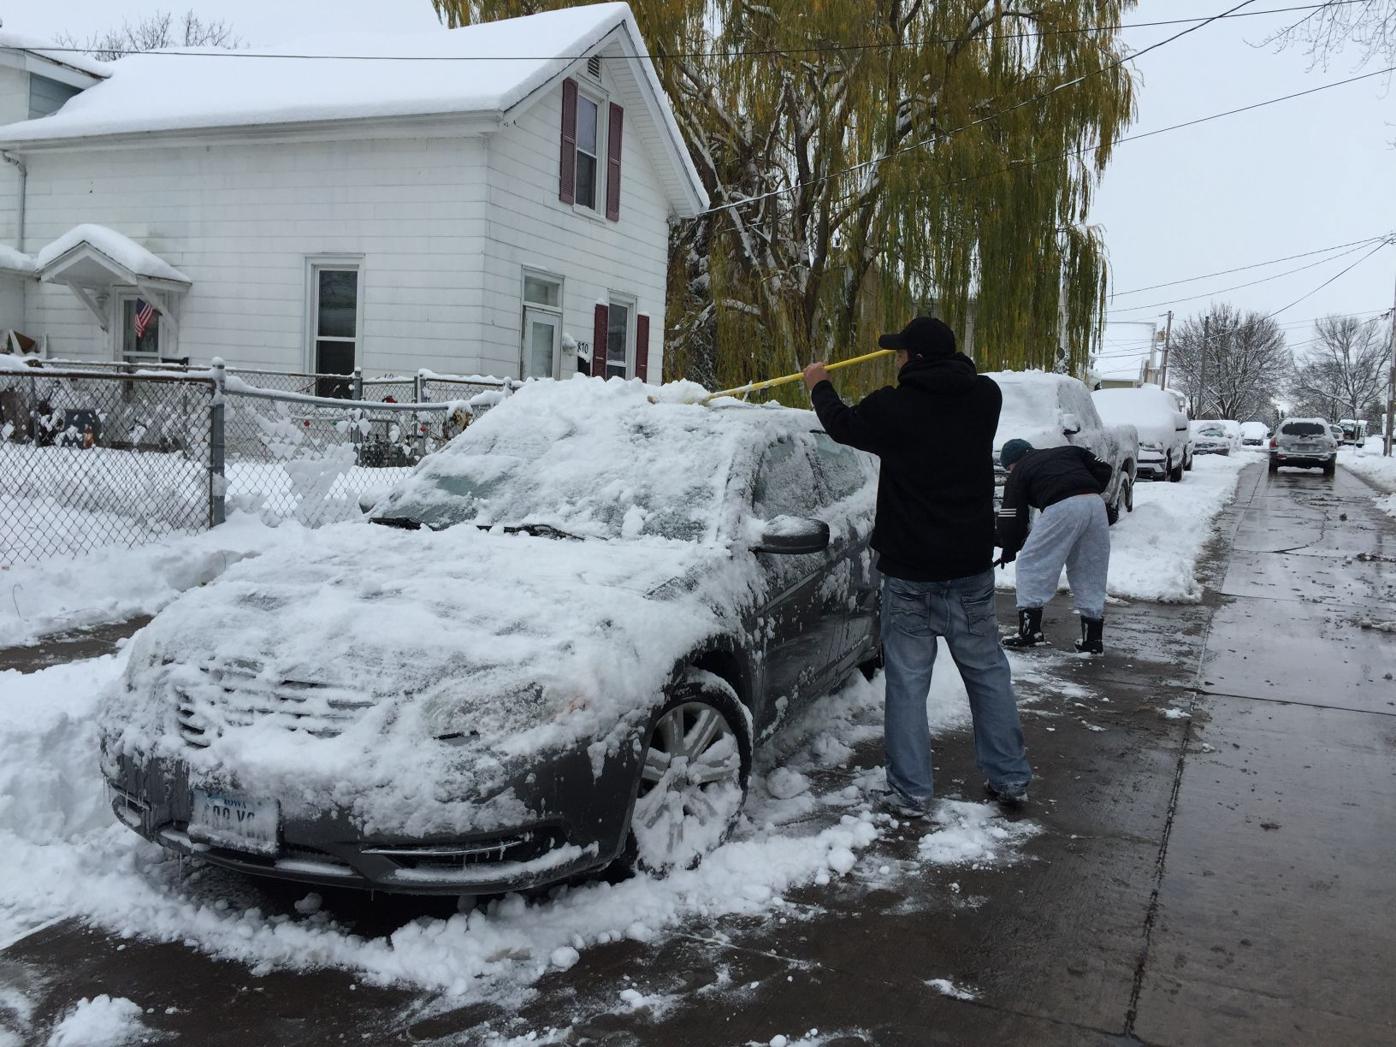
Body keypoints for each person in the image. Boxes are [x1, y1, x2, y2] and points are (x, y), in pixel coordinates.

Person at [802, 316, 1032, 815]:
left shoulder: (893, 408)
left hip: (908, 573)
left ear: (916, 359)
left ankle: (910, 792)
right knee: (988, 673)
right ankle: (1009, 777)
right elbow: (964, 381)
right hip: (970, 568)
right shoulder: (985, 398)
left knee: (907, 684)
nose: (898, 359)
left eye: (902, 353)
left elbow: (842, 424)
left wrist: (819, 384)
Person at [996, 439, 1112, 654]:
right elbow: (1104, 467)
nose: (1010, 471)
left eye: (1008, 467)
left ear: (1013, 462)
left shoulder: (1020, 470)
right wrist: (1085, 487)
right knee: (1089, 567)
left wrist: (1009, 548)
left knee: (1032, 563)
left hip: (1062, 506)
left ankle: (1030, 632)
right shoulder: (1068, 451)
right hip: (1095, 504)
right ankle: (1093, 639)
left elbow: (1012, 515)